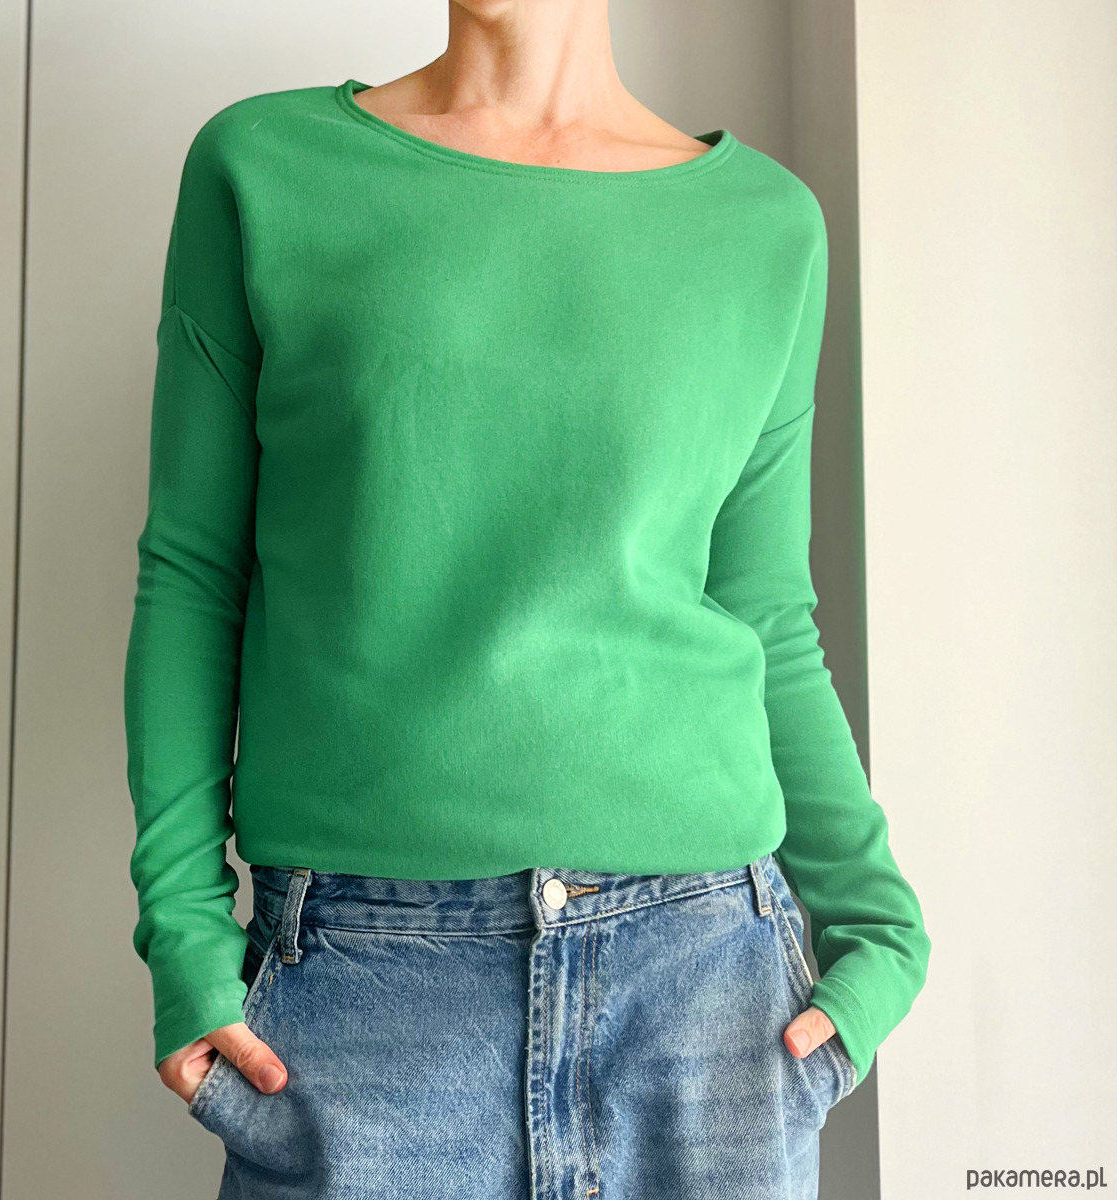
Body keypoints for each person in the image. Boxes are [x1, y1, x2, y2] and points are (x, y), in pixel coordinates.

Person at [123, 3, 931, 1196]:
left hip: (709, 993)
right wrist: (184, 937)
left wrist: (878, 925)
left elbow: (763, 610)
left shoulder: (765, 225)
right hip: (359, 999)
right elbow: (196, 572)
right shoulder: (265, 167)